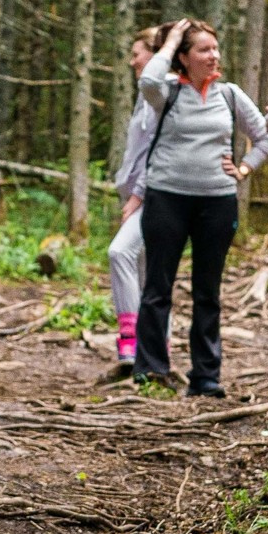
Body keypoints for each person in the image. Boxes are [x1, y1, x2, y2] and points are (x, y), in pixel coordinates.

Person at [134, 18, 268, 397]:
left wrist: (244, 169)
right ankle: (151, 371)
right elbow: (146, 81)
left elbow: (265, 139)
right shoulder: (167, 91)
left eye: (215, 48)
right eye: (203, 49)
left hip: (217, 202)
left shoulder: (229, 94)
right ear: (184, 57)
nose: (214, 55)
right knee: (157, 286)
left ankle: (206, 376)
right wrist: (170, 44)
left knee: (207, 291)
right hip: (166, 198)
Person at [107, 26, 164, 368]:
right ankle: (155, 348)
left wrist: (138, 195)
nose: (132, 62)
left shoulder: (160, 94)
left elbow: (158, 150)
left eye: (137, 53)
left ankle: (130, 338)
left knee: (120, 253)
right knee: (144, 270)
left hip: (153, 195)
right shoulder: (144, 95)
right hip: (138, 193)